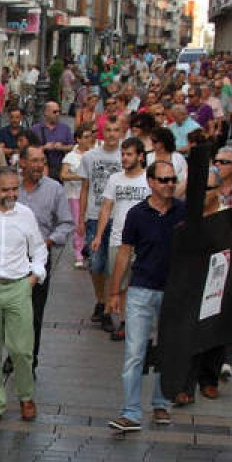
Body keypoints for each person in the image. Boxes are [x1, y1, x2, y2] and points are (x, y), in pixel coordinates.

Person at [106, 160, 185, 432]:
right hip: (141, 288)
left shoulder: (183, 212)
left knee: (168, 349)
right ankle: (130, 411)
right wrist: (114, 292)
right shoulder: (137, 214)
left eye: (173, 179)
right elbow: (125, 253)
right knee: (134, 353)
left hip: (173, 291)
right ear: (151, 182)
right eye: (164, 180)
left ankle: (161, 404)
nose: (170, 184)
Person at [0, 167, 46, 426]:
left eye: (15, 189)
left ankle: (26, 397)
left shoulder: (25, 215)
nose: (12, 194)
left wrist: (33, 278)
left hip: (18, 287)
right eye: (6, 190)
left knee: (22, 350)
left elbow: (38, 249)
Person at [16, 145, 73, 363]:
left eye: (42, 161)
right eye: (34, 161)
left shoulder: (54, 189)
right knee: (12, 312)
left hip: (39, 258)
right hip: (11, 257)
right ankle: (15, 354)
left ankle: (30, 358)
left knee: (34, 312)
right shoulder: (12, 187)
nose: (40, 165)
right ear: (22, 163)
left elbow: (66, 223)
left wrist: (47, 242)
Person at [92, 137, 151, 342]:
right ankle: (125, 323)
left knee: (139, 284)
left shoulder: (149, 180)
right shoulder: (115, 179)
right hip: (118, 239)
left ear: (140, 156)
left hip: (143, 242)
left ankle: (135, 323)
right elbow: (106, 207)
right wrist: (99, 235)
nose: (124, 158)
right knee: (120, 283)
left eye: (129, 154)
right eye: (123, 154)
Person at [78, 120, 123, 328]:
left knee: (110, 264)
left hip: (118, 216)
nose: (112, 134)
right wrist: (81, 217)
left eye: (116, 131)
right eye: (109, 130)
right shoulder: (90, 157)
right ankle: (100, 299)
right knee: (96, 263)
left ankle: (106, 310)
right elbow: (85, 187)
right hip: (95, 215)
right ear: (101, 133)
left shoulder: (126, 155)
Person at [60, 125, 94, 269]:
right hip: (75, 195)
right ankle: (78, 253)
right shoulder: (71, 156)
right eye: (85, 137)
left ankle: (90, 251)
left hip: (91, 195)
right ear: (78, 139)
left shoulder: (94, 154)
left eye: (89, 136)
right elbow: (63, 174)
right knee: (79, 224)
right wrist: (80, 177)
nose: (88, 139)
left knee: (91, 223)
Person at [31, 101, 75, 177]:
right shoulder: (36, 129)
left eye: (59, 111)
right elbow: (28, 149)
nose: (57, 114)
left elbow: (73, 147)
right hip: (41, 168)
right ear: (46, 113)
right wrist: (44, 147)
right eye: (54, 112)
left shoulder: (65, 128)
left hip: (60, 167)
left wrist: (62, 147)